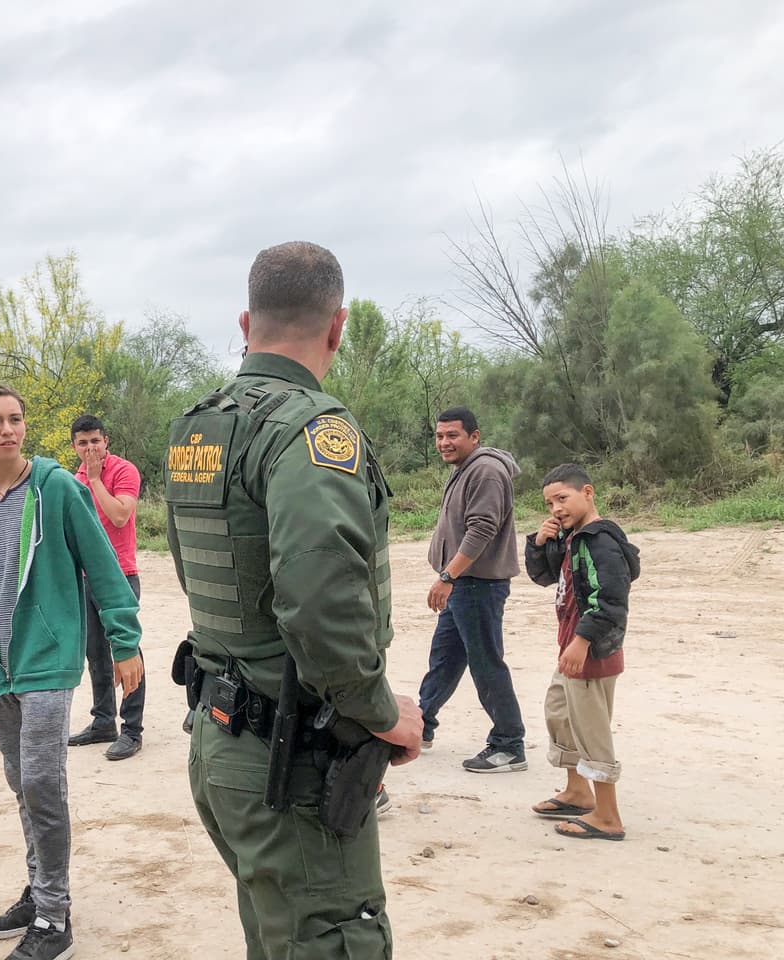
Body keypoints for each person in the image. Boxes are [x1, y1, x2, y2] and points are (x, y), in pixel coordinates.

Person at [164, 241, 423, 959]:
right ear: (337, 327)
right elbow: (319, 608)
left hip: (222, 744)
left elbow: (197, 570)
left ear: (246, 324)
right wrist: (380, 712)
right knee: (331, 942)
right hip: (292, 760)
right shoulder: (314, 432)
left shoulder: (199, 427)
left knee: (279, 938)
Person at [0, 384, 143, 960]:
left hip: (48, 661)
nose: (8, 429)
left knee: (42, 784)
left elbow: (103, 567)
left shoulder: (55, 488)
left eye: (15, 419)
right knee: (20, 783)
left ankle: (55, 919)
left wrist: (125, 639)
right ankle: (40, 888)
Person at [525, 463, 640, 841]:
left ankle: (607, 815)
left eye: (563, 498)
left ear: (587, 493)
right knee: (560, 714)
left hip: (590, 651)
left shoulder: (599, 540)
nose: (556, 508)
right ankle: (577, 791)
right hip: (571, 647)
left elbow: (611, 599)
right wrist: (539, 544)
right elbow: (546, 577)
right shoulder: (572, 537)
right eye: (550, 502)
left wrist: (582, 640)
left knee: (591, 730)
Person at [417, 406, 527, 773]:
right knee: (445, 658)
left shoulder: (486, 471)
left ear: (474, 437)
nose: (444, 442)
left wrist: (447, 577)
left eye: (453, 436)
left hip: (476, 585)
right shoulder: (465, 469)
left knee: (485, 662)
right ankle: (421, 726)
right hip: (462, 584)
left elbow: (482, 529)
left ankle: (509, 745)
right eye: (439, 436)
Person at [67, 413, 146, 761]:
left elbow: (119, 516)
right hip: (84, 578)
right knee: (94, 654)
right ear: (74, 446)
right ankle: (102, 721)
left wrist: (97, 480)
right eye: (82, 443)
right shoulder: (72, 479)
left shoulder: (123, 471)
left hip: (120, 575)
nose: (89, 448)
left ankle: (132, 729)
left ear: (106, 441)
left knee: (126, 652)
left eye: (95, 441)